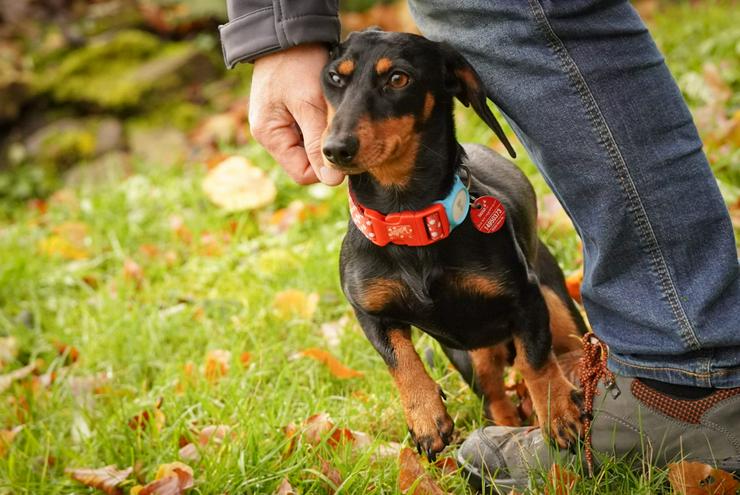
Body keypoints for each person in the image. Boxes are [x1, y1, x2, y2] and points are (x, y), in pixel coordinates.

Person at [219, 0, 740, 490]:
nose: (343, 132)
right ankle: (689, 371)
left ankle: (686, 381)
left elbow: (524, 298)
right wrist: (280, 36)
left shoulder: (484, 207)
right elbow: (375, 312)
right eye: (339, 83)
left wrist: (280, 28)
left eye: (396, 80)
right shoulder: (365, 265)